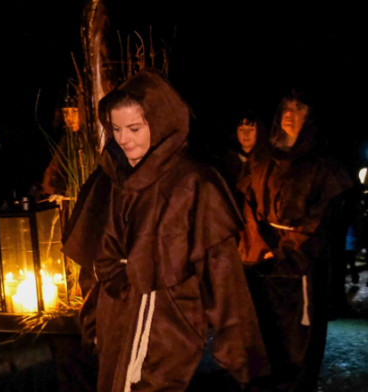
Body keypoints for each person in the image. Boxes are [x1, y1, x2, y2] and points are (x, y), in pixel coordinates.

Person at [62, 69, 269, 392]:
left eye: (134, 128)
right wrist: (92, 324)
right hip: (115, 318)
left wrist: (240, 352)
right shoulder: (106, 181)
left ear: (159, 123)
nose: (123, 139)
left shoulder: (193, 183)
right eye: (116, 128)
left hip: (166, 322)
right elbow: (93, 264)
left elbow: (223, 274)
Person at [238, 90, 353, 391]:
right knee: (263, 343)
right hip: (263, 267)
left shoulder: (323, 166)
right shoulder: (262, 160)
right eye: (286, 108)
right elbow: (248, 208)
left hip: (301, 270)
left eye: (298, 108)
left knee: (298, 345)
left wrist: (288, 254)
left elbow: (322, 218)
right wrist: (260, 251)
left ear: (310, 116)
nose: (290, 114)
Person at [219, 111, 267, 210]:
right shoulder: (227, 162)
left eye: (251, 129)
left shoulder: (266, 161)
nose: (246, 134)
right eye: (241, 129)